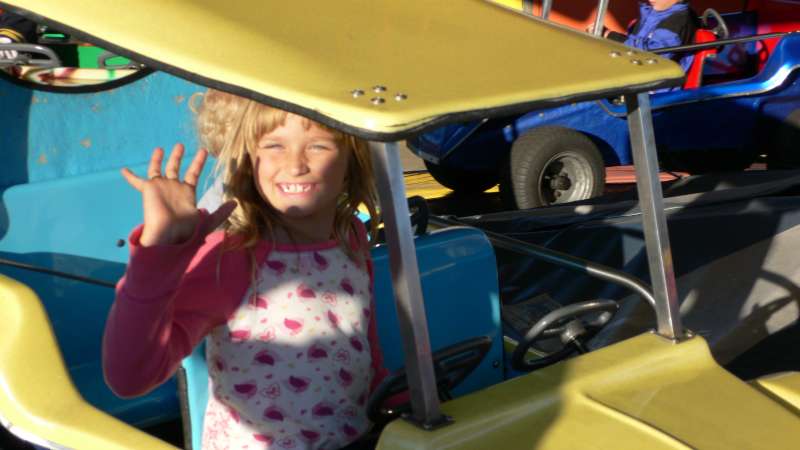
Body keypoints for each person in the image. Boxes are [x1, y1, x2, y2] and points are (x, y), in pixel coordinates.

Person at [103, 88, 387, 449]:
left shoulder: (351, 235)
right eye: (274, 146)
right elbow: (130, 377)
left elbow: (364, 343)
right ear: (250, 160)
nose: (296, 165)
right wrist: (159, 253)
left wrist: (394, 398)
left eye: (318, 146)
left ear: (352, 162)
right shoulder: (232, 257)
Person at [597, 0, 697, 72]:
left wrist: (612, 37)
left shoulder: (676, 22)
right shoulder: (653, 13)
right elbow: (636, 42)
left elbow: (653, 58)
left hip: (656, 83)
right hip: (637, 69)